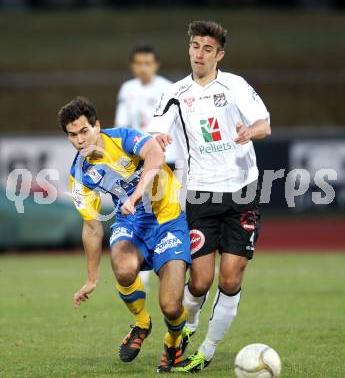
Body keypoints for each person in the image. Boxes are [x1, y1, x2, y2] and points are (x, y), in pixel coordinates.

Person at [148, 20, 271, 372]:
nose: (199, 54)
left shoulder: (234, 86)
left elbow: (265, 123)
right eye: (195, 46)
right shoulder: (175, 92)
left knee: (230, 278)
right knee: (200, 280)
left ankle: (209, 349)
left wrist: (252, 131)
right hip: (200, 194)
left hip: (242, 192)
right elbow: (155, 132)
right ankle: (184, 332)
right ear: (188, 49)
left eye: (207, 49)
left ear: (219, 55)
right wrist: (158, 140)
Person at [58, 96, 191, 372]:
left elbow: (155, 153)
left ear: (97, 127)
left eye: (84, 131)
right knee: (122, 264)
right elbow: (92, 227)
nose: (80, 140)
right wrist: (91, 279)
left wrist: (139, 192)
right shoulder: (79, 174)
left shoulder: (123, 138)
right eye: (72, 135)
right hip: (131, 222)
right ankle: (142, 323)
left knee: (171, 306)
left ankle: (173, 340)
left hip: (169, 217)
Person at [114, 45, 174, 290]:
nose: (143, 68)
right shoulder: (127, 89)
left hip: (168, 159)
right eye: (139, 63)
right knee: (143, 213)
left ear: (156, 64)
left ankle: (180, 260)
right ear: (132, 66)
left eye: (148, 63)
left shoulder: (169, 88)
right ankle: (144, 270)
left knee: (171, 214)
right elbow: (121, 125)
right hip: (139, 161)